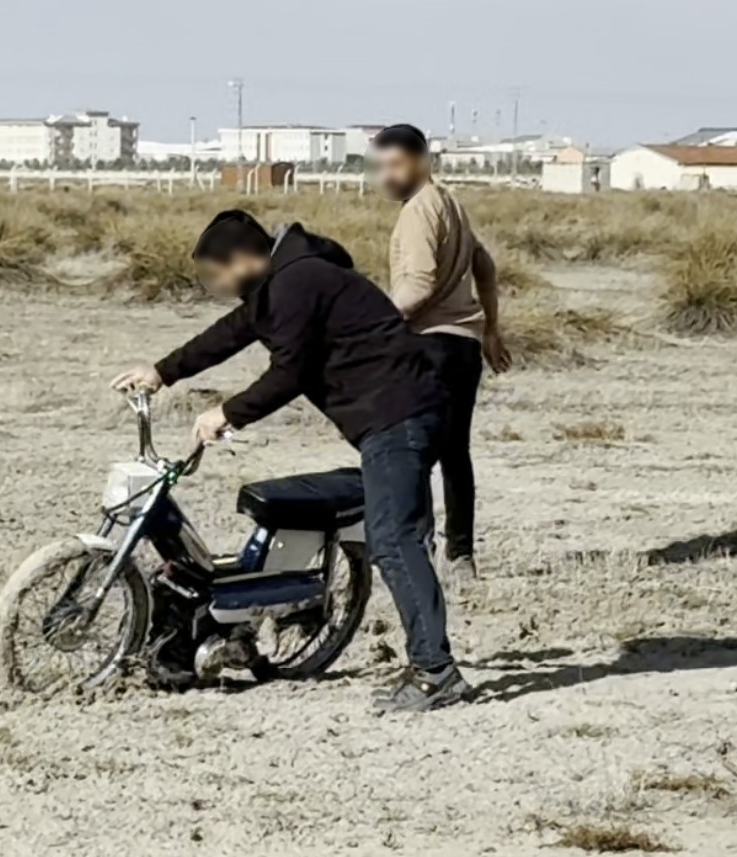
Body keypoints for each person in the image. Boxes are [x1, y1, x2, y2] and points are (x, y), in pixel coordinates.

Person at [108, 210, 470, 714]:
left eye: (218, 273)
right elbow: (232, 332)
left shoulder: (299, 281)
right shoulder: (281, 282)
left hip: (400, 414)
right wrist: (163, 372)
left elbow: (291, 372)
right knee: (395, 536)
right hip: (392, 415)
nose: (218, 285)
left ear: (244, 258)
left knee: (393, 540)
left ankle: (435, 673)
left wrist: (228, 413)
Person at [372, 123, 510, 589]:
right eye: (380, 167)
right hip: (463, 347)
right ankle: (462, 556)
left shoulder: (418, 210)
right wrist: (490, 329)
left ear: (420, 161)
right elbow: (485, 266)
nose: (386, 176)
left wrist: (372, 326)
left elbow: (419, 285)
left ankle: (416, 552)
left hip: (426, 345)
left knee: (412, 452)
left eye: (395, 165)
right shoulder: (450, 203)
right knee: (455, 453)